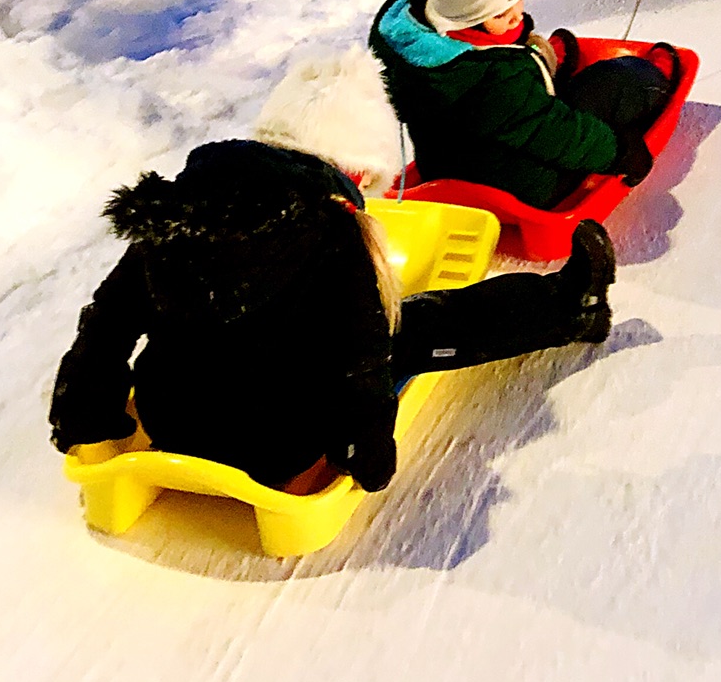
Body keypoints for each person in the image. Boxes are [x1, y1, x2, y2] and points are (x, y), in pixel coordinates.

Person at [48, 137, 617, 497]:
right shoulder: (327, 234)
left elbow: (106, 325)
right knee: (418, 326)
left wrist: (81, 413)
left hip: (172, 419)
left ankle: (568, 307)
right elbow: (360, 356)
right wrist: (362, 444)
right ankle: (571, 308)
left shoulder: (166, 227)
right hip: (279, 446)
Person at [369, 0, 665, 208]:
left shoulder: (409, 36)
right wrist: (619, 152)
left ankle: (540, 66)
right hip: (525, 183)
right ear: (465, 17)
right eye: (499, 12)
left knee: (518, 95)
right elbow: (557, 134)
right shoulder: (489, 78)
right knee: (619, 81)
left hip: (446, 166)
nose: (516, 17)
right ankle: (651, 83)